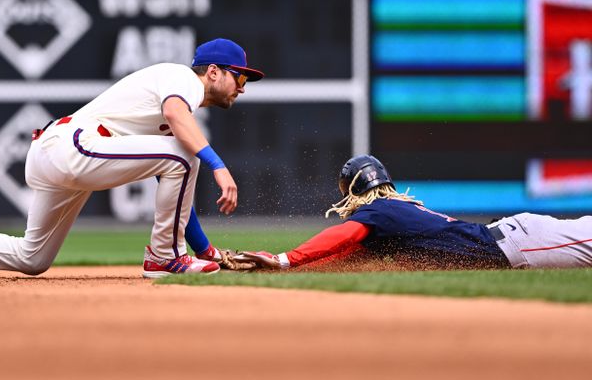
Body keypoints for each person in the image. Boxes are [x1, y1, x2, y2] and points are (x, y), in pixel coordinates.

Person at [0, 38, 264, 278]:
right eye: (240, 78)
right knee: (186, 156)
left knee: (31, 258)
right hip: (75, 145)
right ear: (213, 71)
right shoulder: (182, 79)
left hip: (58, 155)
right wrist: (219, 165)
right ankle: (164, 258)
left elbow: (173, 187)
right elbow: (176, 122)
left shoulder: (178, 111)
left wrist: (205, 250)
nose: (242, 88)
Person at [237, 154, 592, 271]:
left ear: (353, 189)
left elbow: (343, 236)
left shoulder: (380, 211)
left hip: (514, 243)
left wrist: (286, 259)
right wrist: (280, 269)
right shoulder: (388, 219)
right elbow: (346, 257)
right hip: (511, 239)